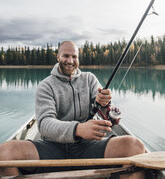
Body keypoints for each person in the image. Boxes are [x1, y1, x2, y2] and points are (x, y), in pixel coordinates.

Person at [0, 41, 145, 178]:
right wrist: (78, 129)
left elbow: (104, 109)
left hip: (88, 146)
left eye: (74, 56)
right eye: (66, 56)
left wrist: (105, 103)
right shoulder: (46, 86)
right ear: (58, 57)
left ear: (78, 58)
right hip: (52, 148)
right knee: (5, 152)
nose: (70, 60)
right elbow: (44, 124)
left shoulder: (90, 79)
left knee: (134, 146)